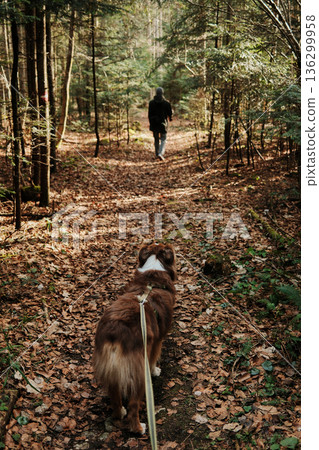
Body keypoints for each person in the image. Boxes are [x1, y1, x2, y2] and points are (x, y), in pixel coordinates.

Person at [148, 87, 172, 161]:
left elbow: (149, 114)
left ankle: (157, 153)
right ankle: (160, 153)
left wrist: (151, 123)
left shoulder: (151, 103)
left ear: (156, 93)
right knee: (163, 139)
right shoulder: (167, 103)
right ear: (162, 93)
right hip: (163, 124)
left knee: (156, 139)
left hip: (154, 124)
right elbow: (170, 113)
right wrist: (170, 118)